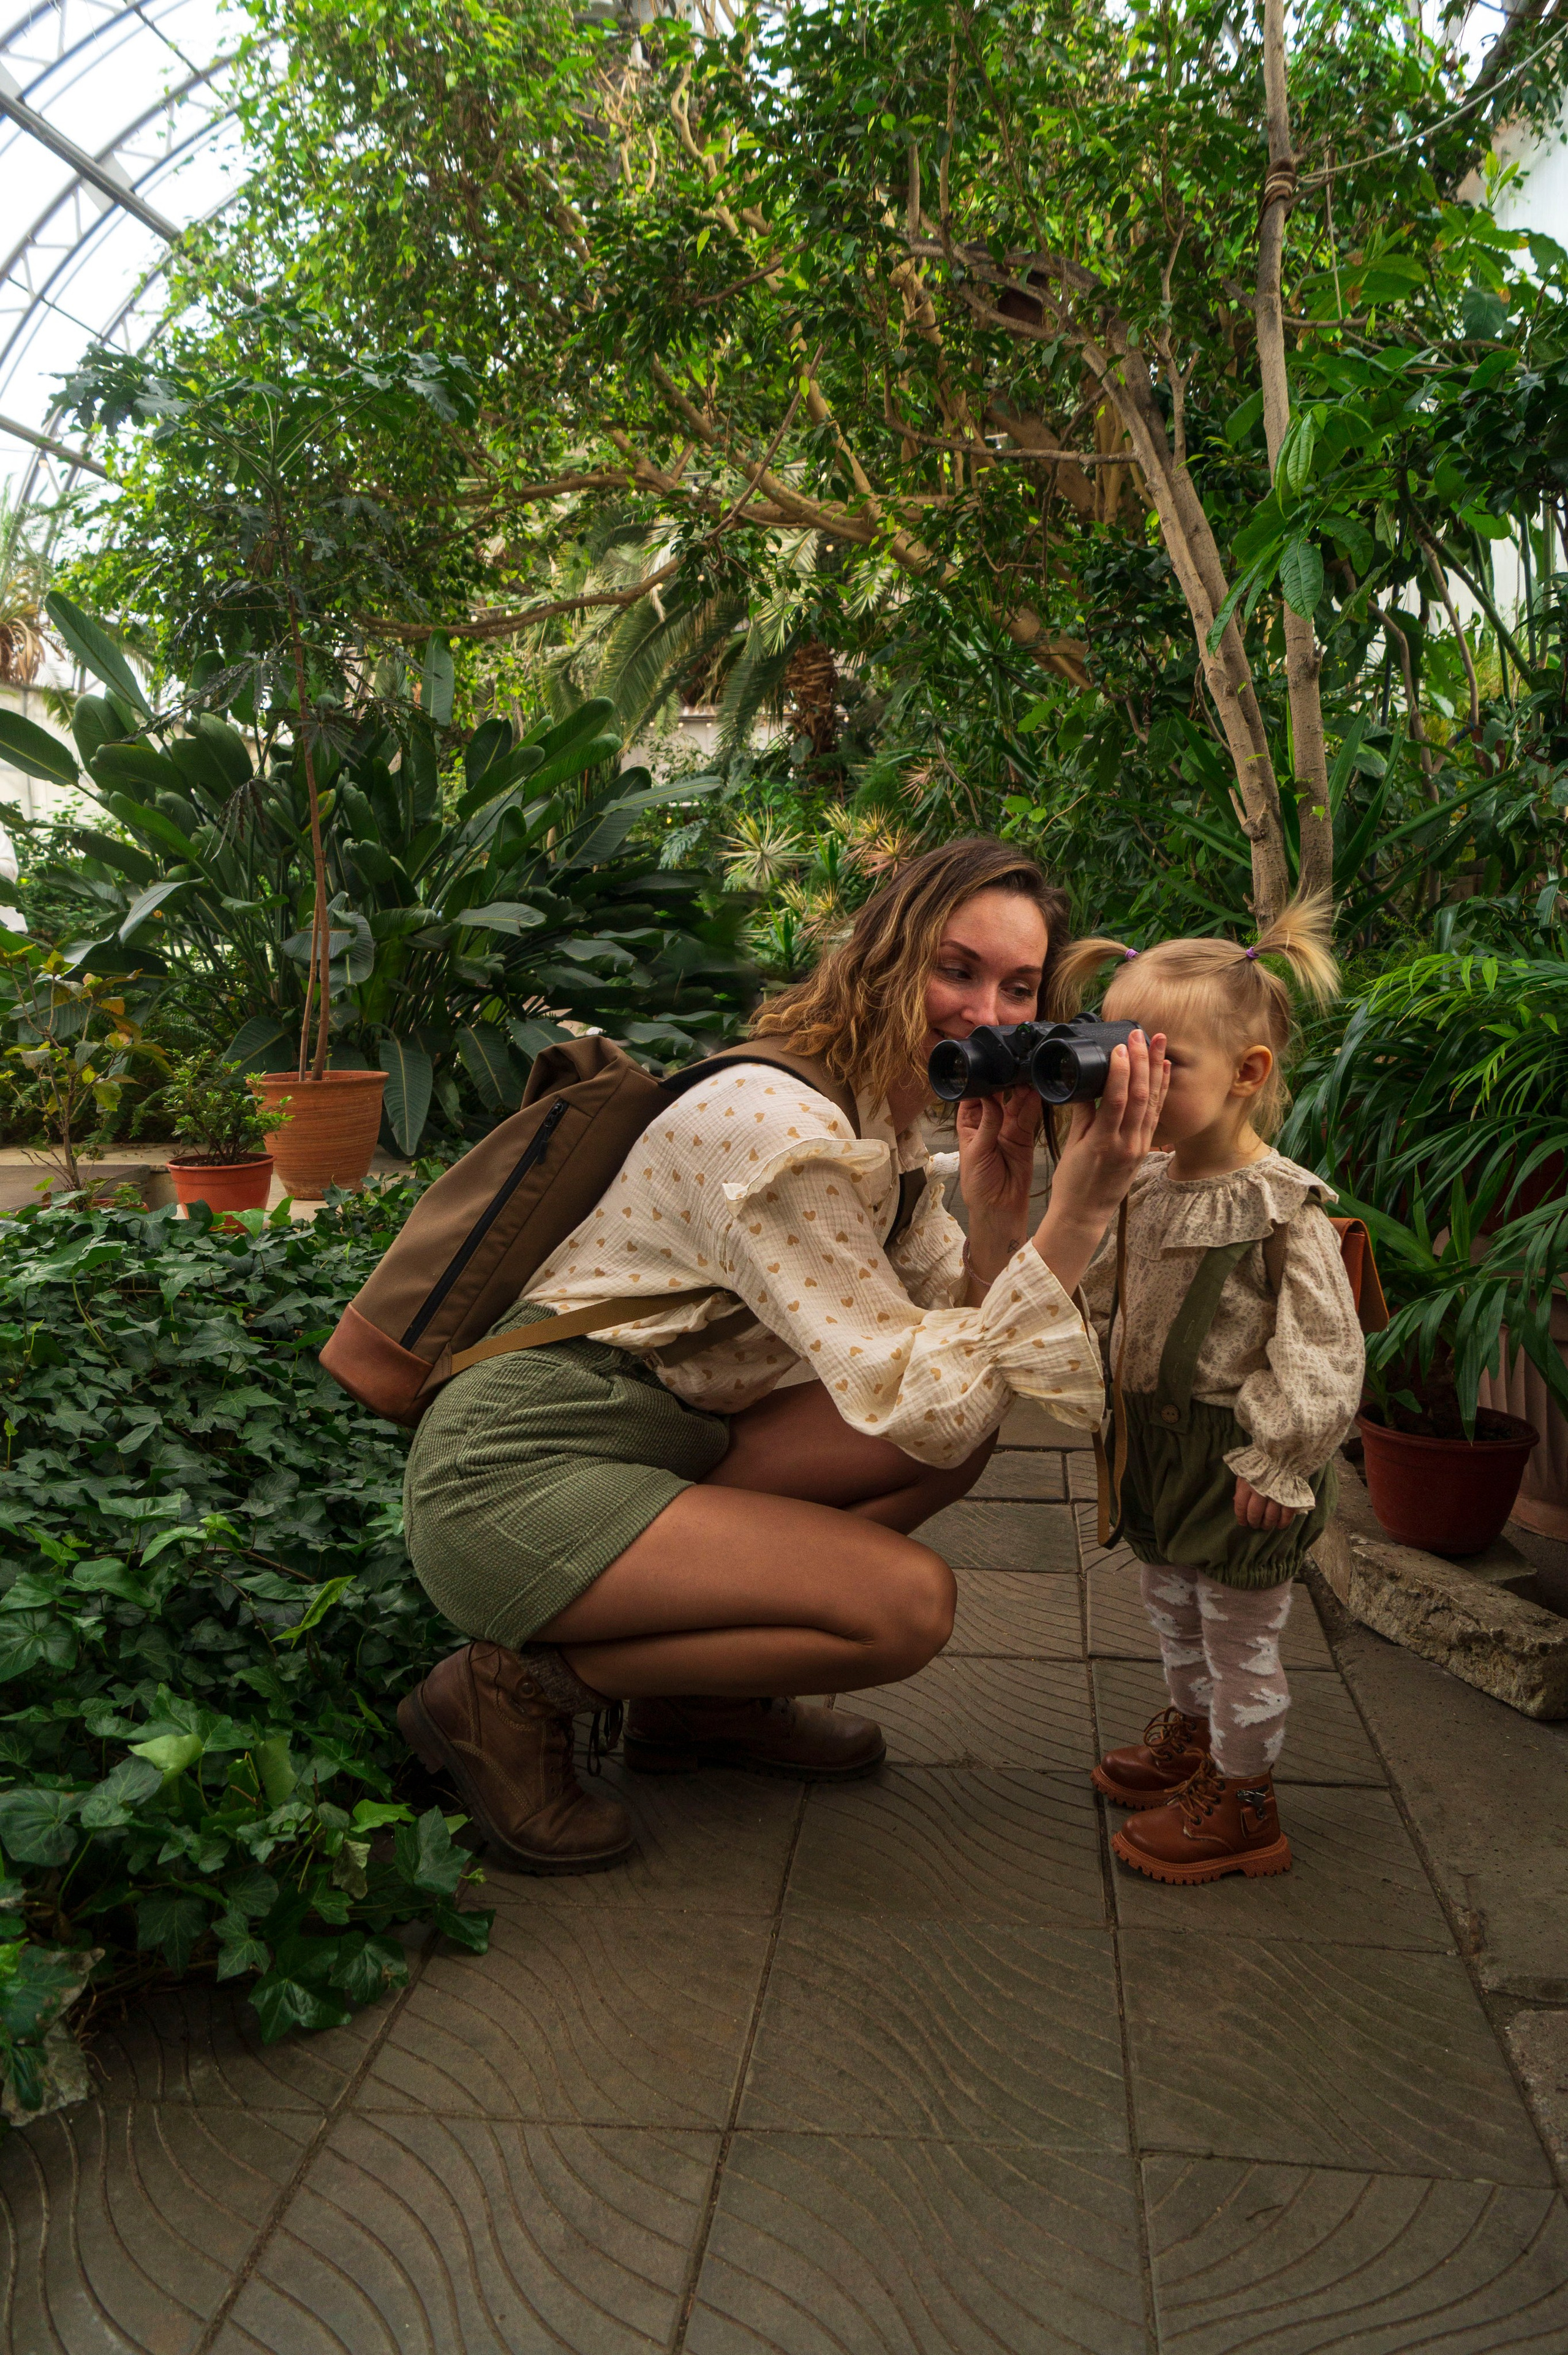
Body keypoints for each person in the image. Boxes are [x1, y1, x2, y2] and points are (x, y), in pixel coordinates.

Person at [398, 837, 1168, 1872]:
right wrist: (1076, 1215)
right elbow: (928, 1393)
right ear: (887, 955)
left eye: (1020, 987)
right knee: (904, 1607)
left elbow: (952, 1372)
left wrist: (998, 1210)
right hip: (514, 1469)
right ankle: (508, 1692)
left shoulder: (877, 1116)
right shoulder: (781, 1131)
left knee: (957, 1441)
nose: (990, 1016)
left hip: (655, 1433)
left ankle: (696, 1706)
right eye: (958, 969)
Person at [1067, 892, 1365, 1883]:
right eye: (1120, 1056)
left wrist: (1280, 1455)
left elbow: (1324, 1346)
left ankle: (1246, 1801)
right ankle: (1193, 1739)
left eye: (1164, 1063)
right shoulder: (1147, 1183)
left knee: (1243, 1634)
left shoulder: (1284, 1206)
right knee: (1173, 1606)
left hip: (1236, 1458)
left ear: (1248, 1075)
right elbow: (1119, 1303)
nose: (1131, 1084)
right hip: (1158, 1448)